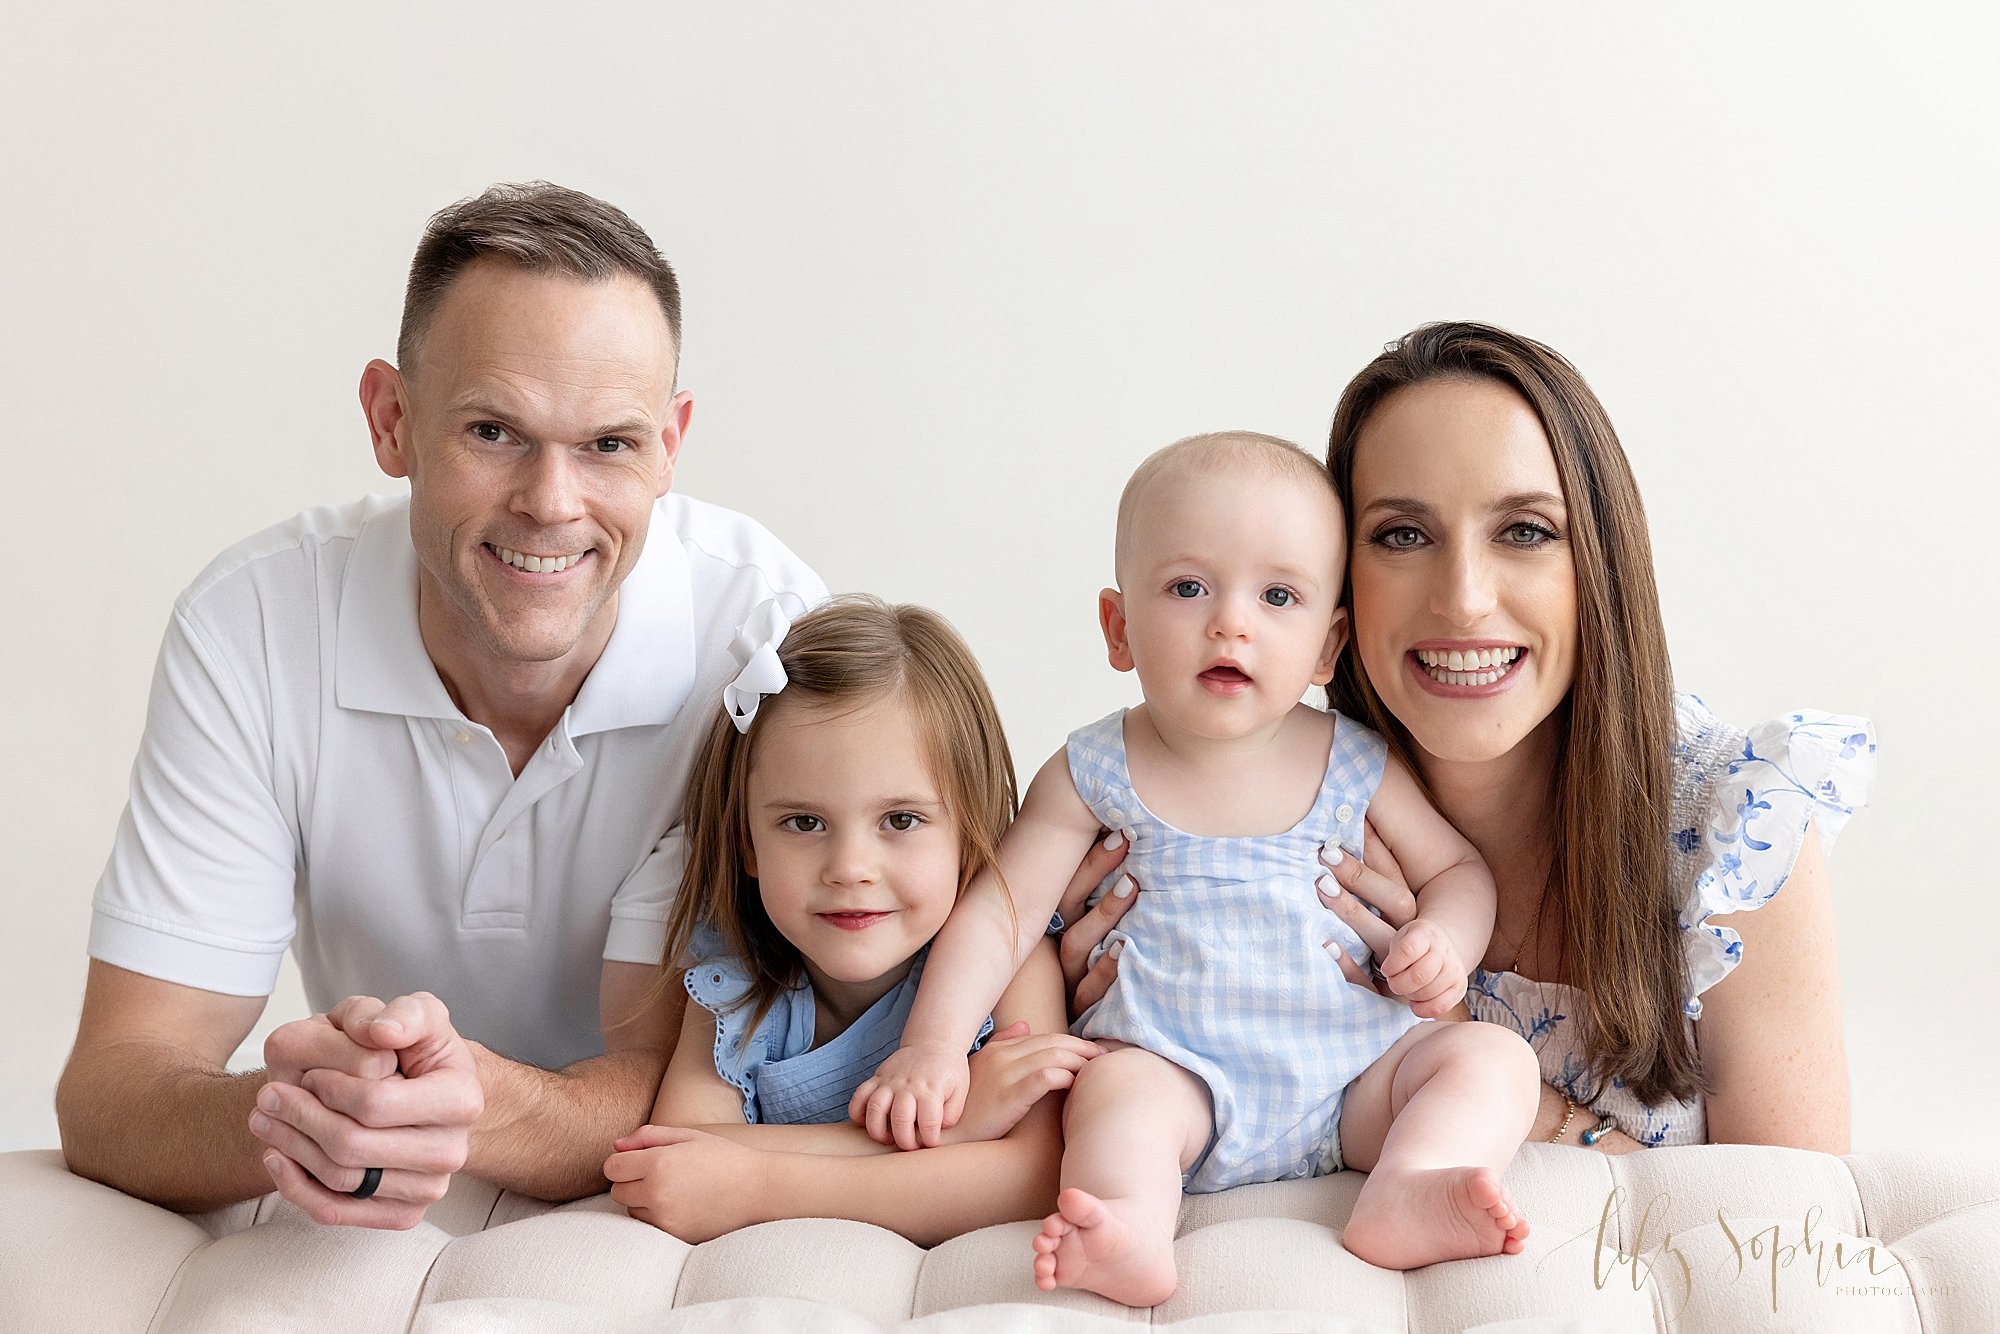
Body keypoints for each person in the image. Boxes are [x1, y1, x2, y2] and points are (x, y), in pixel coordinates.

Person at [55, 183, 826, 1228]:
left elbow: (773, 1060)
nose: (552, 502)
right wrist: (302, 1112)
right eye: (494, 430)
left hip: (656, 1208)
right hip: (382, 1208)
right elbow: (112, 1089)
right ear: (392, 420)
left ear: (671, 443)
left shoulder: (766, 642)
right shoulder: (257, 624)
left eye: (609, 443)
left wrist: (480, 1108)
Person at [1063, 323, 1872, 1156]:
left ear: (1600, 559)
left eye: (1524, 530)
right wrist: (1074, 1014)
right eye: (1403, 535)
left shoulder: (1736, 829)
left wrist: (1491, 1076)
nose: (1463, 599)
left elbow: (1789, 1230)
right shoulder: (1222, 798)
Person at [854, 433, 1540, 1305]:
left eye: (1278, 595)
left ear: (1329, 648)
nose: (1231, 622)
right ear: (1118, 628)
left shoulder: (1354, 761)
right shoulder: (1092, 770)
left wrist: (1444, 937)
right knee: (1112, 1097)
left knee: (1491, 1059)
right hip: (1176, 1077)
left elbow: (1459, 871)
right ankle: (1131, 1224)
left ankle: (1412, 1183)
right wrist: (934, 1046)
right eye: (1188, 588)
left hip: (1354, 1077)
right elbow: (1001, 913)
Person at [603, 596, 1093, 1244]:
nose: (850, 868)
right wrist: (959, 1131)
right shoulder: (735, 972)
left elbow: (1035, 1177)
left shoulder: (1005, 965)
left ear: (968, 833)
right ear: (747, 843)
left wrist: (758, 1185)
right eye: (804, 823)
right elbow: (677, 1153)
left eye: (901, 820)